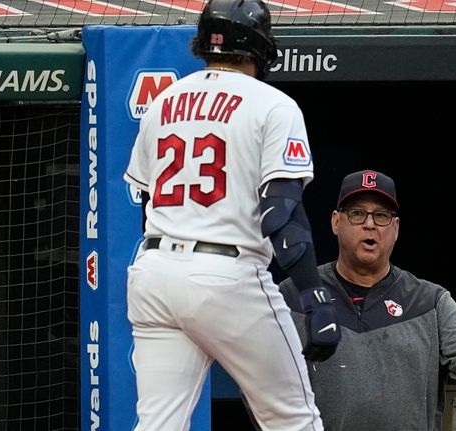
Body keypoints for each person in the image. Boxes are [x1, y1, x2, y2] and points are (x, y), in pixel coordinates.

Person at [122, 0, 340, 429]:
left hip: (153, 271)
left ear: (203, 44)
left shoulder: (163, 102)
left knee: (158, 424)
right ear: (260, 46)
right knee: (292, 418)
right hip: (227, 273)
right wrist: (315, 295)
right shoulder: (273, 104)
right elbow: (280, 215)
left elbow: (146, 200)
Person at [275, 169, 456, 431]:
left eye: (382, 215)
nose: (370, 225)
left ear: (396, 228)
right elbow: (263, 378)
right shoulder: (294, 295)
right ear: (336, 222)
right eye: (357, 214)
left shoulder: (430, 302)